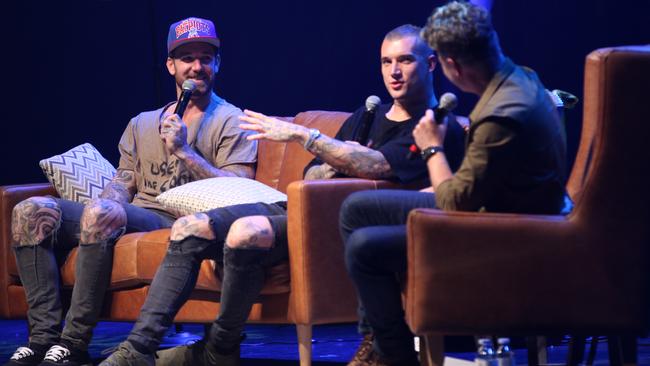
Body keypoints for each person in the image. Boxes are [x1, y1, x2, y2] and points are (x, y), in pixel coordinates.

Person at [100, 24, 465, 366]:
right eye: (387, 61)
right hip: (295, 208)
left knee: (247, 233)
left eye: (405, 60)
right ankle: (139, 348)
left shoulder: (436, 126)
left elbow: (379, 165)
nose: (394, 71)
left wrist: (304, 137)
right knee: (189, 227)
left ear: (430, 64)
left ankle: (221, 348)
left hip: (331, 224)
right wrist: (335, 162)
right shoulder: (367, 115)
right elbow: (314, 174)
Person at [5, 17, 257, 366]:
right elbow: (124, 182)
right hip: (137, 212)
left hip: (177, 219)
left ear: (218, 64)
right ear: (171, 66)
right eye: (187, 58)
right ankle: (43, 339)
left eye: (206, 58)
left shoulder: (232, 121)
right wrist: (104, 204)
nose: (197, 67)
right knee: (29, 211)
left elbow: (241, 189)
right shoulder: (141, 123)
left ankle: (74, 343)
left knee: (100, 214)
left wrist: (185, 151)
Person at [339, 2, 567, 365]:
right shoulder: (521, 76)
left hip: (501, 228)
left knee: (364, 248)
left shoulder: (499, 116)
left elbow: (452, 204)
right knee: (357, 207)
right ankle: (380, 346)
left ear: (449, 65)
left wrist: (432, 146)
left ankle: (392, 355)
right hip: (496, 208)